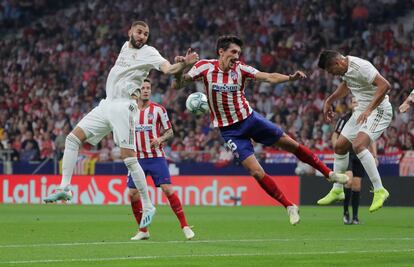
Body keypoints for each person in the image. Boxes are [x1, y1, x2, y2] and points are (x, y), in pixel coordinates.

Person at [173, 35, 349, 225]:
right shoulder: (204, 67)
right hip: (230, 131)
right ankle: (289, 206)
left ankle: (328, 174)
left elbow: (268, 77)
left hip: (250, 119)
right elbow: (178, 84)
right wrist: (182, 67)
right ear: (221, 52)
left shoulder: (241, 69)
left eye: (239, 53)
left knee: (291, 145)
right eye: (233, 52)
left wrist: (289, 78)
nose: (237, 56)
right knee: (256, 172)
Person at [44, 21, 199, 229]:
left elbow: (168, 69)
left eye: (146, 33)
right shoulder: (125, 47)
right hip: (106, 104)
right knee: (72, 139)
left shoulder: (149, 52)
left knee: (128, 157)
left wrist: (184, 64)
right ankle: (65, 187)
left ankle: (148, 204)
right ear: (130, 32)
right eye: (139, 32)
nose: (142, 36)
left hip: (124, 106)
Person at [317, 50, 392, 212]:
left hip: (378, 110)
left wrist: (369, 110)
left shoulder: (361, 66)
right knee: (340, 146)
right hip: (361, 111)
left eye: (331, 71)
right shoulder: (345, 70)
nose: (332, 75)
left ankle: (380, 190)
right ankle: (338, 189)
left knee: (358, 145)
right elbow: (347, 85)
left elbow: (385, 85)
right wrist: (329, 100)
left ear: (337, 63)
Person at [128, 78, 195, 240]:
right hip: (137, 159)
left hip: (156, 157)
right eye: (143, 88)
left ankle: (185, 226)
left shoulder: (159, 110)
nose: (145, 90)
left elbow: (170, 131)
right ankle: (143, 230)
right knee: (133, 194)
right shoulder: (130, 110)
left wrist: (160, 139)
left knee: (168, 189)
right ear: (137, 91)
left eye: (148, 88)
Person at [323, 97, 377, 224]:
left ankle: (355, 217)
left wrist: (374, 155)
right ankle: (346, 213)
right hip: (347, 153)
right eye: (354, 102)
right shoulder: (345, 119)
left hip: (360, 154)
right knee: (349, 180)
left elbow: (371, 138)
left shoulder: (366, 117)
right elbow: (335, 134)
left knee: (357, 186)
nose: (356, 104)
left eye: (358, 101)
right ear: (350, 105)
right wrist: (338, 148)